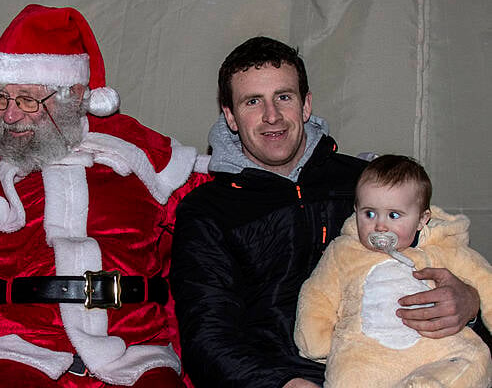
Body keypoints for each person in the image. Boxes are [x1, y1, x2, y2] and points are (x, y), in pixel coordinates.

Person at [0, 4, 208, 388]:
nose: (9, 116)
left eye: (27, 100)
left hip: (133, 349)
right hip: (6, 346)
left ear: (73, 94)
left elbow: (223, 212)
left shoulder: (139, 151)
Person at [169, 36, 482, 388]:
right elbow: (208, 337)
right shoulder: (207, 212)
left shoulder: (364, 181)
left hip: (407, 367)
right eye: (253, 101)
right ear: (230, 116)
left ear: (306, 106)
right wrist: (283, 383)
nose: (272, 116)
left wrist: (471, 306)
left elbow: (448, 254)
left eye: (283, 97)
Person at [295, 155, 491, 387]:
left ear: (421, 219)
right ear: (355, 209)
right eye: (369, 213)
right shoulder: (343, 252)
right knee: (346, 377)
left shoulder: (442, 247)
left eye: (394, 215)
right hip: (366, 354)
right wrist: (315, 340)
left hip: (436, 350)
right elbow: (318, 293)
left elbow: (484, 279)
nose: (379, 225)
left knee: (474, 361)